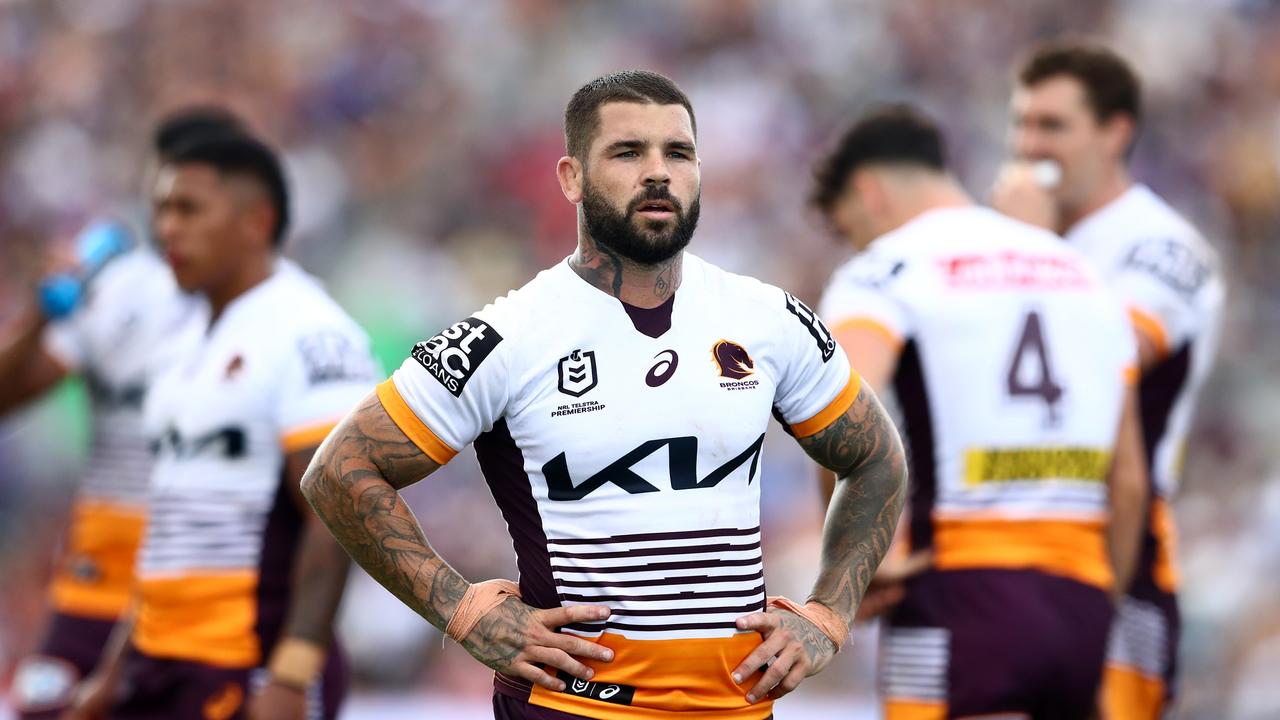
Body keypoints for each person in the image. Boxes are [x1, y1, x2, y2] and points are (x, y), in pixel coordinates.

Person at [300, 69, 908, 720]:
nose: (658, 172)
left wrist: (827, 617)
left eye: (678, 152)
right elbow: (340, 471)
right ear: (570, 178)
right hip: (574, 709)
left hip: (737, 709)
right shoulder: (509, 333)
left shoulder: (770, 318)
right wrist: (461, 608)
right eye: (627, 152)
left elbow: (875, 459)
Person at [812, 105, 1149, 720]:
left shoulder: (884, 271)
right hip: (1081, 599)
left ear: (868, 191)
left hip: (959, 590)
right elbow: (1128, 484)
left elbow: (836, 413)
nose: (857, 242)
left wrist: (852, 564)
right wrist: (1100, 602)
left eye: (850, 227)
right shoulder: (1086, 276)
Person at [69, 132, 375, 720]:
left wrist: (292, 670)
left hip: (245, 663)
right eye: (160, 210)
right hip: (158, 662)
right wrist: (113, 672)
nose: (166, 230)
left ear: (256, 221)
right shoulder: (186, 341)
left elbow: (339, 514)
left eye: (187, 209)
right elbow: (170, 527)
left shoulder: (311, 333)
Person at [993, 42, 1226, 720]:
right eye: (1023, 123)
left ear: (1116, 131)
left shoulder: (1161, 246)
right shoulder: (1016, 238)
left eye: (1053, 125)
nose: (1030, 144)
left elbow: (1097, 360)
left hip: (1121, 547)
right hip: (1015, 543)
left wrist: (1027, 254)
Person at [1, 107, 243, 720]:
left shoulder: (275, 305)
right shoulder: (114, 289)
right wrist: (36, 317)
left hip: (211, 580)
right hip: (102, 572)